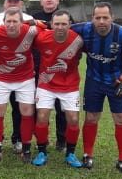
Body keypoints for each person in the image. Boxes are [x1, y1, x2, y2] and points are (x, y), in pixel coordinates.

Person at [71, 2, 122, 173]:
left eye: (105, 17)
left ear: (112, 18)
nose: (101, 21)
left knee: (121, 118)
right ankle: (88, 155)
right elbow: (61, 26)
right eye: (98, 17)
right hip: (94, 81)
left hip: (116, 81)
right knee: (91, 117)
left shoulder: (121, 33)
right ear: (92, 18)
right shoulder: (84, 29)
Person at [0, 7, 41, 162]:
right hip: (2, 78)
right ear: (3, 22)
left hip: (25, 79)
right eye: (8, 21)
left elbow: (48, 30)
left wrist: (37, 22)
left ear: (21, 22)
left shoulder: (31, 31)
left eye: (15, 21)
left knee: (27, 112)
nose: (11, 25)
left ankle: (26, 149)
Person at [32, 10, 84, 168]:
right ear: (51, 24)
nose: (60, 27)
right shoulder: (42, 38)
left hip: (70, 84)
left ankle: (70, 153)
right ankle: (42, 151)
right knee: (42, 116)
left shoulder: (78, 40)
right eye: (57, 24)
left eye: (63, 24)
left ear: (70, 25)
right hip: (46, 83)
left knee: (73, 119)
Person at [31, 0, 69, 151]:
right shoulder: (33, 18)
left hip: (60, 70)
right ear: (41, 1)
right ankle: (42, 139)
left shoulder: (66, 17)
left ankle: (62, 139)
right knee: (40, 108)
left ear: (58, 0)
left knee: (62, 108)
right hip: (39, 69)